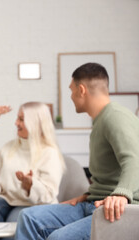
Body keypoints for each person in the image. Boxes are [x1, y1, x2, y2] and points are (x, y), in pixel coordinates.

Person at [15, 63, 139, 240]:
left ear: (81, 90)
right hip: (93, 203)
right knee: (28, 217)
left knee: (58, 237)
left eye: (72, 91)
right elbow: (110, 173)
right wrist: (87, 195)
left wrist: (121, 194)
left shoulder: (116, 117)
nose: (71, 97)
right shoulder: (101, 120)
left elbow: (134, 160)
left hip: (116, 210)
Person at [0, 102, 65, 237]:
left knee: (17, 218)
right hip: (8, 200)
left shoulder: (49, 153)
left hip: (34, 205)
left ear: (36, 123)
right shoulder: (8, 147)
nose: (16, 123)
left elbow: (49, 195)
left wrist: (30, 185)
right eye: (17, 118)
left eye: (21, 119)